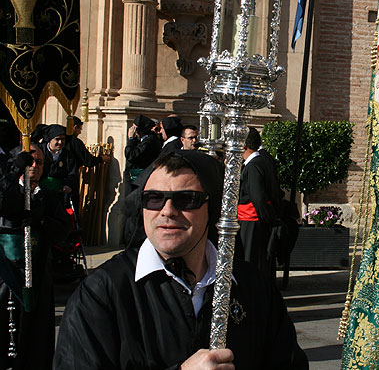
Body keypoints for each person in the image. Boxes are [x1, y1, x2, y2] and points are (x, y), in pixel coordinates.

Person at [54, 150, 308, 369]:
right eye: (153, 198)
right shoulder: (102, 292)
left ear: (213, 209)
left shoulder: (253, 286)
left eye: (186, 199)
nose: (167, 211)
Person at [0, 145, 70, 369]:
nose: (34, 167)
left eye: (39, 162)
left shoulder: (48, 195)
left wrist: (42, 223)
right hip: (6, 274)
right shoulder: (8, 190)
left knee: (35, 334)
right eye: (29, 161)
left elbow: (64, 229)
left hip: (38, 273)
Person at [238, 128, 282, 278]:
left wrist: (266, 219)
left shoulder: (254, 165)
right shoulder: (261, 161)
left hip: (253, 221)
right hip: (255, 220)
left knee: (251, 260)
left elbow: (258, 197)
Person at [38, 124, 77, 197]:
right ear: (50, 139)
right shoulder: (39, 151)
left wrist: (68, 185)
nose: (60, 142)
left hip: (59, 193)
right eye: (57, 139)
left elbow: (72, 173)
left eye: (63, 139)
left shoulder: (68, 155)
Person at [124, 114, 162, 184]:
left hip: (141, 178)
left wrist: (131, 139)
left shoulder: (149, 142)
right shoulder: (144, 139)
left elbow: (131, 155)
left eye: (134, 128)